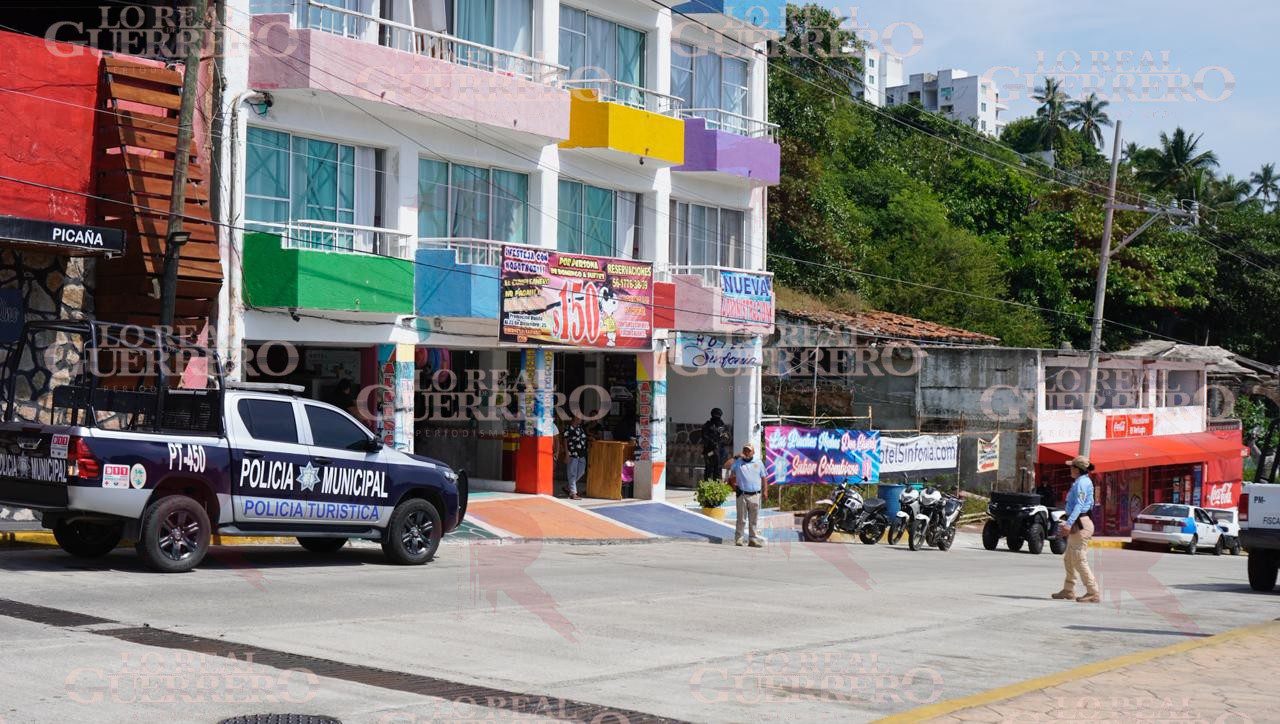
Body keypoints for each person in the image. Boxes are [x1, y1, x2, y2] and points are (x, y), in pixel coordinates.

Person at [1053, 456, 1099, 603]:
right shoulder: (1081, 481)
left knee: (1079, 559)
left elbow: (1079, 506)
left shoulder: (1081, 483)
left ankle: (1093, 592)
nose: (1070, 469)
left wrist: (1068, 523)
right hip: (1079, 522)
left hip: (1081, 523)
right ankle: (1068, 590)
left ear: (1077, 469)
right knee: (1069, 558)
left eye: (1072, 467)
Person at [725, 444, 766, 547]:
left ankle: (752, 539)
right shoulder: (738, 462)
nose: (747, 452)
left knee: (753, 519)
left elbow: (764, 477)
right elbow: (726, 465)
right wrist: (736, 457)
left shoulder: (758, 462)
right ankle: (739, 538)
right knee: (741, 519)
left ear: (753, 452)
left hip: (755, 495)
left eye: (749, 451)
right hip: (742, 494)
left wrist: (765, 491)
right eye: (745, 450)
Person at [559, 417, 588, 501]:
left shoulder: (580, 428)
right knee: (572, 473)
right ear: (574, 418)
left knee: (581, 471)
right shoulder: (568, 428)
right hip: (572, 453)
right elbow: (565, 441)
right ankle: (573, 493)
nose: (581, 419)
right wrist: (567, 454)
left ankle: (568, 487)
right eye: (579, 418)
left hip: (581, 453)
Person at [701, 408, 729, 482]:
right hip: (710, 452)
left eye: (718, 415)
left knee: (718, 468)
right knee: (709, 468)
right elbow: (705, 437)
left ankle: (717, 485)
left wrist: (720, 442)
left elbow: (726, 438)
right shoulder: (707, 425)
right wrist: (713, 444)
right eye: (715, 415)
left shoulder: (722, 426)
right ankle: (708, 485)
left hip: (720, 451)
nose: (717, 417)